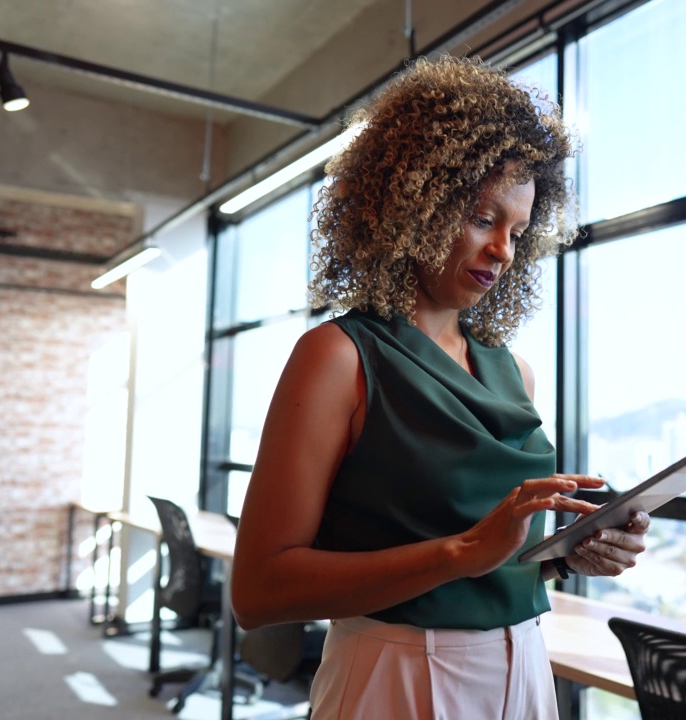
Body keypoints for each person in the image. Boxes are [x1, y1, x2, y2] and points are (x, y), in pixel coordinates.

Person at [230, 55, 651, 720]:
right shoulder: (340, 357)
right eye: (484, 218)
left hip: (524, 669)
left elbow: (488, 563)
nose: (504, 251)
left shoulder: (514, 372)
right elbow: (257, 591)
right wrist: (461, 552)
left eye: (517, 231)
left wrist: (568, 557)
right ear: (412, 201)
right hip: (393, 672)